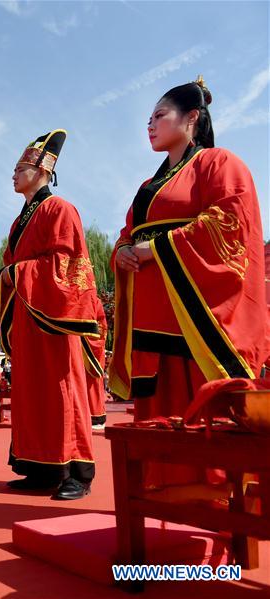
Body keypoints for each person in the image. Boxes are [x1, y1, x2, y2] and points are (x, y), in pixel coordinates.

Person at [109, 77, 268, 490]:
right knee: (159, 421)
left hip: (196, 317)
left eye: (159, 115)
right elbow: (129, 232)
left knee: (203, 414)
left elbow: (229, 222)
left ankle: (219, 501)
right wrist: (123, 251)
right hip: (151, 315)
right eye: (148, 118)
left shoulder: (218, 163)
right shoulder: (147, 186)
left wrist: (154, 249)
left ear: (192, 117)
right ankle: (162, 498)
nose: (150, 124)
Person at [0, 129, 102, 500]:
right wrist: (12, 275)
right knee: (32, 394)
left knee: (63, 390)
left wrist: (16, 273)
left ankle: (78, 472)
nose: (13, 174)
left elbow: (67, 264)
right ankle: (42, 468)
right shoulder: (19, 222)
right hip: (28, 315)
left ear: (42, 170)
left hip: (54, 316)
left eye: (19, 168)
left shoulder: (60, 209)